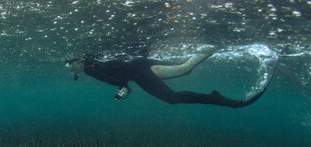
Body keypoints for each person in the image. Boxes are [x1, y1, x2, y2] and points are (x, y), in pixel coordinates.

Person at [65, 49, 273, 108]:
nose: (72, 70)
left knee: (184, 69)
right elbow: (118, 80)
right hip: (137, 73)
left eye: (71, 65)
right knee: (172, 97)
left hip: (139, 67)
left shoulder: (91, 65)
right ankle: (215, 98)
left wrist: (123, 87)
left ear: (77, 60)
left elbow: (118, 73)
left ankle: (213, 46)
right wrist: (123, 89)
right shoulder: (90, 68)